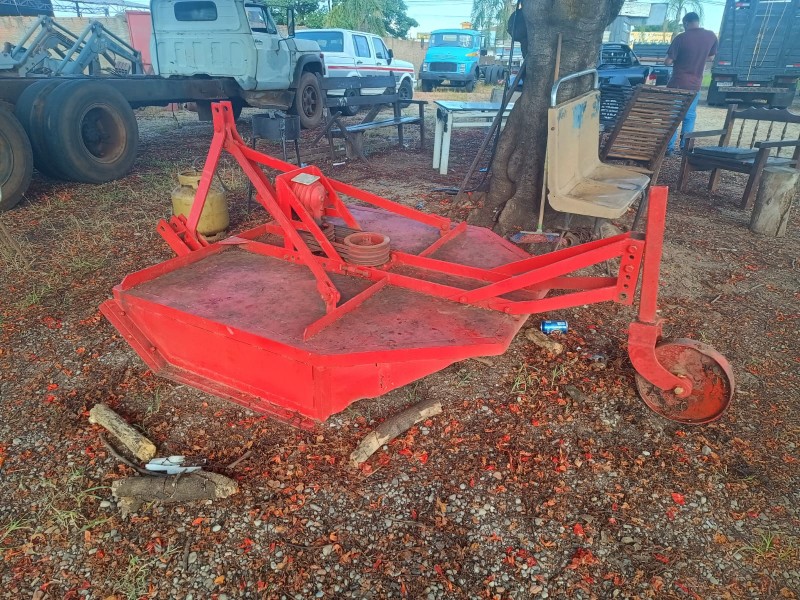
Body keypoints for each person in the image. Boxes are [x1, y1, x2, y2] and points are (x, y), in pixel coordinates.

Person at [664, 12, 718, 154]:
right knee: (689, 116)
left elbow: (668, 61)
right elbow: (711, 58)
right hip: (695, 84)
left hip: (678, 83)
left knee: (674, 116)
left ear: (686, 23)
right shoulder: (711, 36)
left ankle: (669, 148)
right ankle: (685, 147)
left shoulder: (681, 38)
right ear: (697, 21)